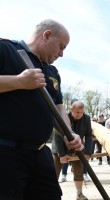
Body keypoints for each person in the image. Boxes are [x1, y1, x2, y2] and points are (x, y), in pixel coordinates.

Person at [0, 19, 83, 199]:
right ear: (46, 35)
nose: (61, 54)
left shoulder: (52, 72)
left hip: (40, 154)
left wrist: (70, 134)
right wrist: (19, 81)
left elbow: (59, 109)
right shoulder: (5, 50)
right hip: (6, 154)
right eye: (61, 46)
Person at [52, 100, 92, 200]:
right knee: (54, 172)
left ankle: (79, 194)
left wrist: (88, 152)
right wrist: (61, 155)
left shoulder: (86, 118)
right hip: (59, 148)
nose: (80, 115)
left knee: (79, 171)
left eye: (82, 112)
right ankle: (51, 194)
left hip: (77, 148)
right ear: (71, 109)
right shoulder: (64, 118)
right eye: (77, 112)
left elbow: (89, 135)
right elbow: (57, 136)